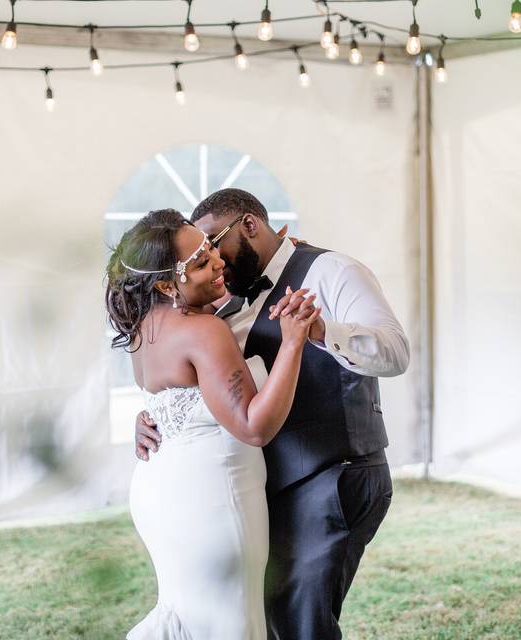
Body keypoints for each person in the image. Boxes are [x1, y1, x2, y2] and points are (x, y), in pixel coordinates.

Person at [135, 189, 410, 639]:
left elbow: (396, 353)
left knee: (301, 625)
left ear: (249, 225)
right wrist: (157, 415)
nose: (213, 258)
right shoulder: (222, 302)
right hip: (266, 486)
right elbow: (202, 382)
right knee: (266, 619)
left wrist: (322, 331)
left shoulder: (333, 271)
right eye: (200, 254)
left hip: (332, 475)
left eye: (212, 243)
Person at [106, 208, 321, 639]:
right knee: (231, 622)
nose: (218, 262)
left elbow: (169, 400)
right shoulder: (203, 329)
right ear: (167, 283)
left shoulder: (141, 328)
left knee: (191, 614)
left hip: (161, 497)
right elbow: (254, 427)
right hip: (213, 504)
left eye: (209, 249)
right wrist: (294, 341)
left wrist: (143, 420)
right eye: (201, 263)